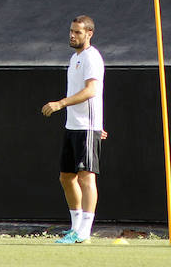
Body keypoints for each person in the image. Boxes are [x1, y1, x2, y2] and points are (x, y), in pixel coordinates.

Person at [41, 15, 106, 244]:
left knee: (86, 178)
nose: (72, 35)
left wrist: (60, 103)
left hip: (87, 128)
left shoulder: (92, 57)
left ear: (89, 34)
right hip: (74, 127)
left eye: (77, 32)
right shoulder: (74, 57)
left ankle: (84, 232)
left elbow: (91, 91)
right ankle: (75, 227)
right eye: (71, 31)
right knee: (66, 178)